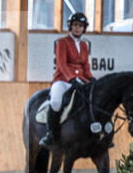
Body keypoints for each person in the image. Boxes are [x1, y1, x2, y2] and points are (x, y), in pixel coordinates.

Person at [40, 12, 95, 148]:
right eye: (75, 25)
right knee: (56, 101)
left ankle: (95, 133)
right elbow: (61, 64)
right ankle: (51, 133)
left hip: (81, 80)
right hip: (62, 80)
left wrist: (92, 79)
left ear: (84, 28)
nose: (77, 28)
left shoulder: (83, 46)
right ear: (70, 26)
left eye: (80, 26)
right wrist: (71, 79)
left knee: (93, 100)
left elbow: (85, 67)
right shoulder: (62, 42)